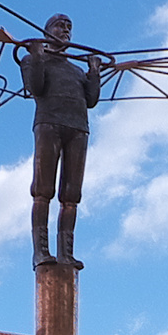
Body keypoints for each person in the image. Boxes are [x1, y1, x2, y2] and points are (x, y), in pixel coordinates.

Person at [19, 14, 101, 270]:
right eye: (60, 25)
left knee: (71, 195)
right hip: (49, 123)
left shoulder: (76, 70)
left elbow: (91, 100)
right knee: (43, 190)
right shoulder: (32, 59)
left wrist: (94, 72)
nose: (65, 30)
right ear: (47, 32)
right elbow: (36, 88)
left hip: (78, 127)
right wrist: (37, 56)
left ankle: (66, 253)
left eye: (69, 27)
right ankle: (40, 251)